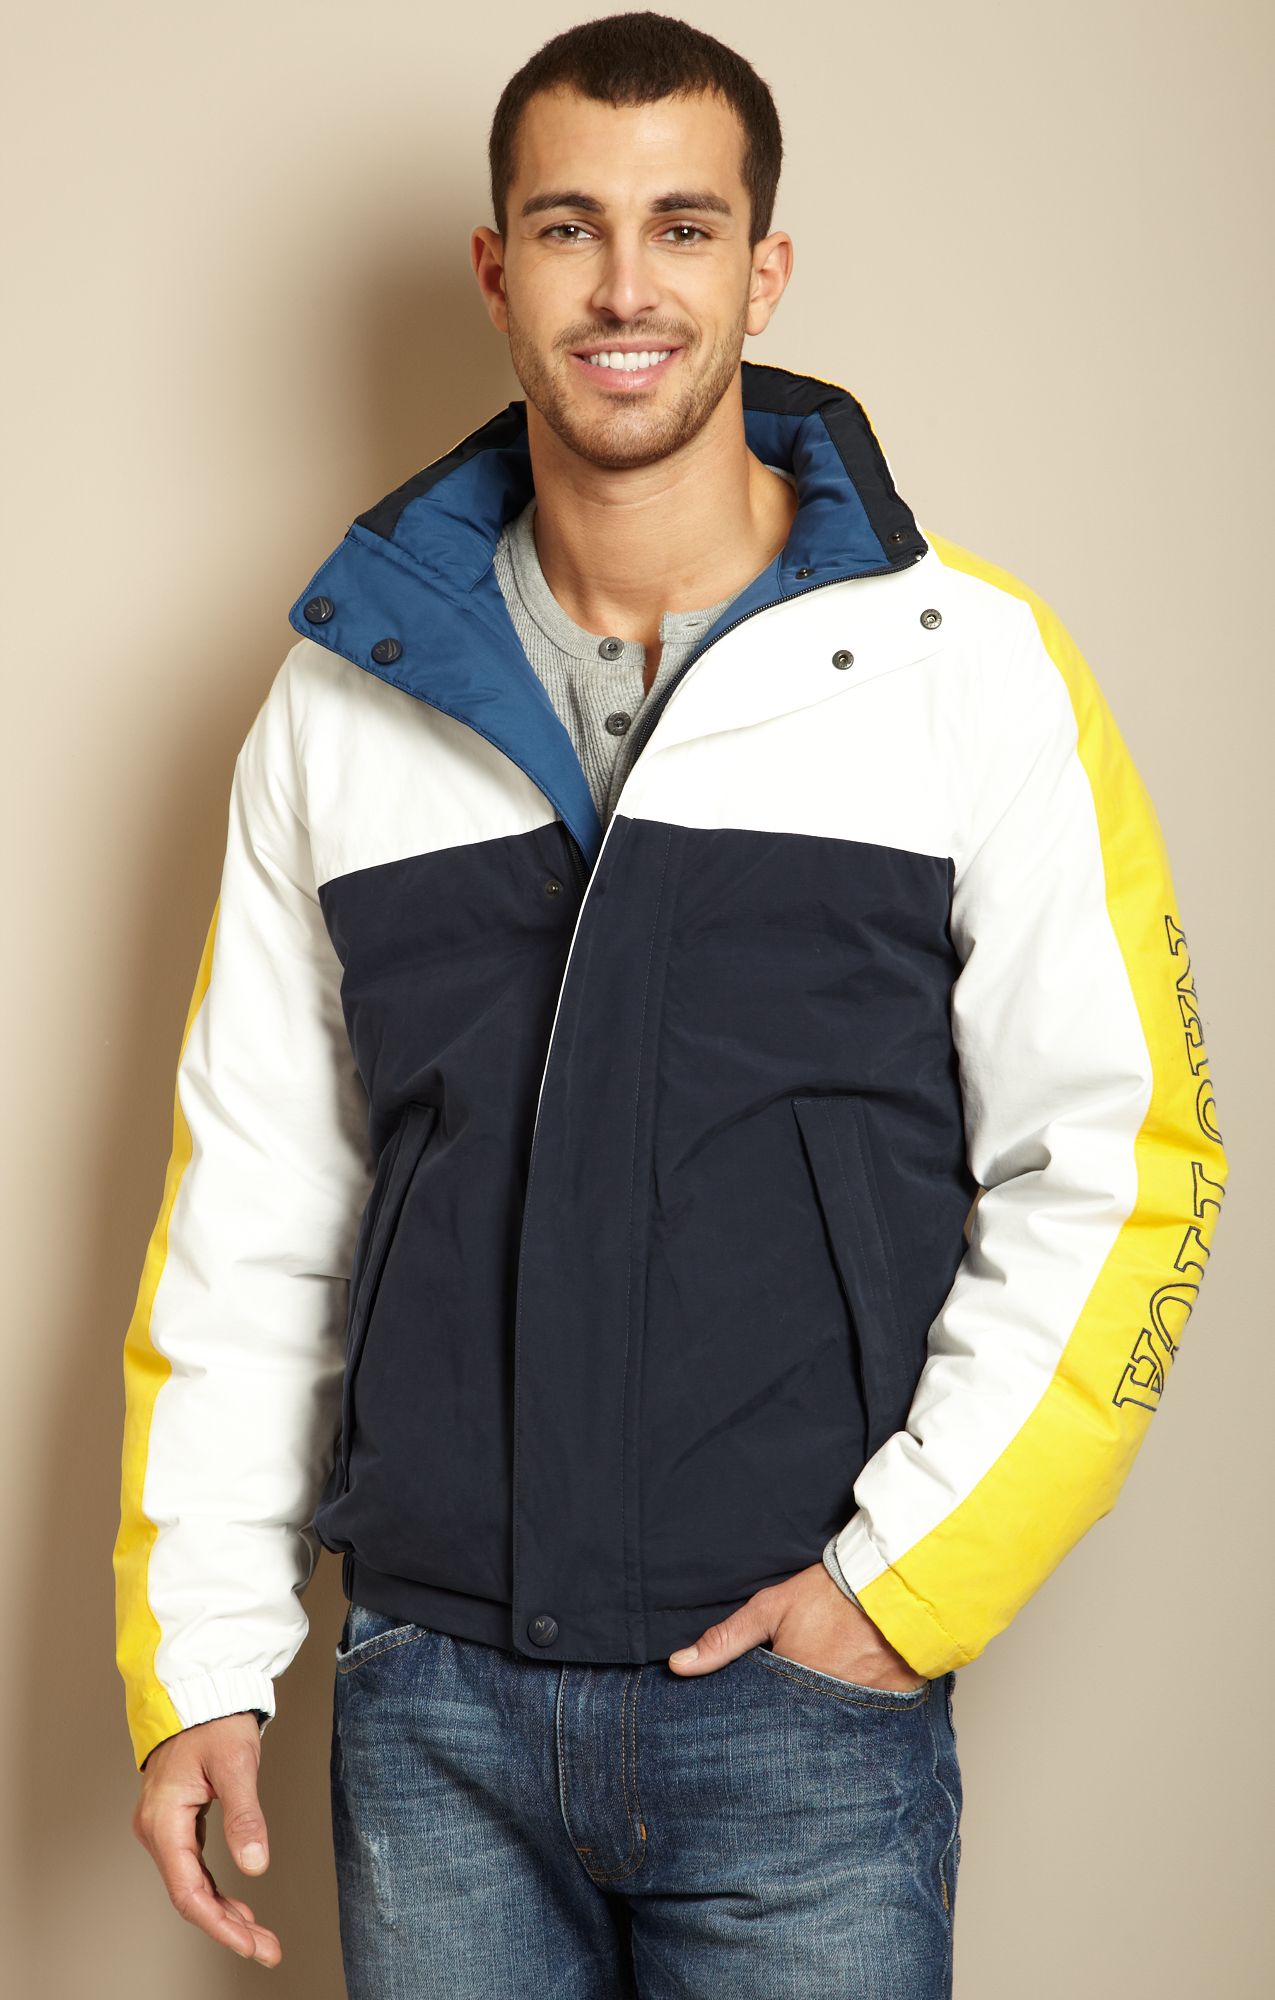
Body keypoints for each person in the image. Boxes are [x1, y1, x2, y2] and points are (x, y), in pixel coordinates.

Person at [114, 12, 1229, 1996]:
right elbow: (256, 1202)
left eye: (683, 227)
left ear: (762, 270)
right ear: (496, 269)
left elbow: (1124, 1162)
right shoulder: (340, 708)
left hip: (798, 1711)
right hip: (433, 1712)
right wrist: (204, 1654)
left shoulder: (966, 670)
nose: (625, 286)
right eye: (569, 227)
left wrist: (899, 1589)